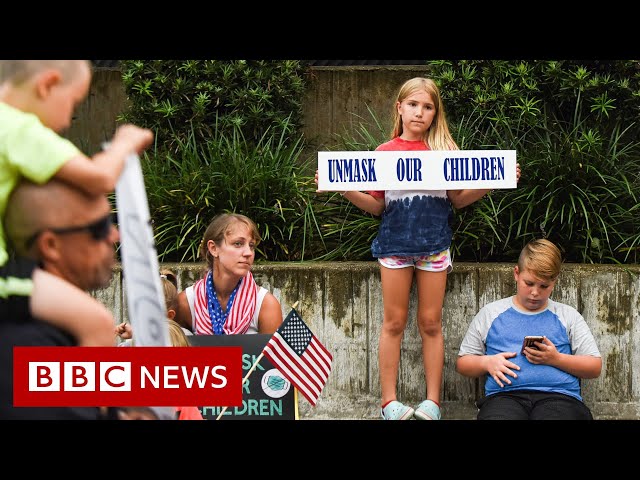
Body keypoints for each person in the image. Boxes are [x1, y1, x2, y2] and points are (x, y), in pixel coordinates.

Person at [315, 77, 521, 420]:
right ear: (399, 107)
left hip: (434, 247)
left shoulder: (445, 152)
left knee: (431, 323)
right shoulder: (384, 152)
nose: (419, 112)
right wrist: (343, 187)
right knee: (393, 323)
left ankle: (433, 402)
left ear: (435, 113)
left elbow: (458, 199)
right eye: (413, 105)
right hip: (394, 247)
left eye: (427, 107)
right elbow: (377, 206)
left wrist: (495, 181)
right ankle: (388, 402)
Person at [0, 60, 154, 347]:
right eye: (72, 102)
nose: (67, 122)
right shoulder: (19, 129)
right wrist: (124, 144)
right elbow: (99, 178)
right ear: (47, 85)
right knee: (96, 321)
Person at [0, 179, 122, 419]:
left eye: (112, 222)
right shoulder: (28, 348)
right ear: (51, 245)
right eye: (99, 228)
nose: (114, 235)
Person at [456, 238, 602, 420]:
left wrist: (556, 359)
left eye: (544, 286)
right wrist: (486, 363)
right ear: (516, 274)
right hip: (504, 398)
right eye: (529, 283)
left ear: (554, 282)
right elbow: (463, 363)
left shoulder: (567, 315)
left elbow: (594, 367)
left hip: (559, 398)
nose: (535, 292)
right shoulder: (491, 313)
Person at [174, 213, 283, 335]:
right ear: (213, 248)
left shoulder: (266, 305)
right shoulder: (186, 303)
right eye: (238, 243)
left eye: (251, 245)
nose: (248, 253)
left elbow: (274, 348)